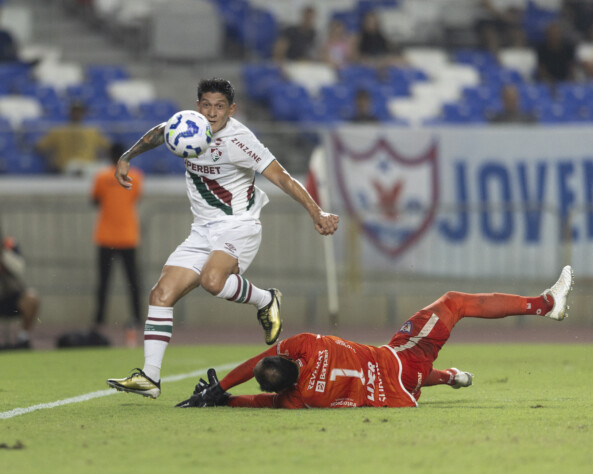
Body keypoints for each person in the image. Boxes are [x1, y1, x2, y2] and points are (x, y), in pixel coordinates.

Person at [106, 78, 339, 399]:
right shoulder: (186, 125)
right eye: (206, 105)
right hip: (202, 229)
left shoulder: (240, 140)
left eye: (219, 107)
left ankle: (265, 299)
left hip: (238, 224)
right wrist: (127, 156)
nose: (212, 113)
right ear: (197, 104)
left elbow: (282, 177)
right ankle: (150, 377)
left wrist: (317, 212)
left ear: (232, 109)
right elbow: (159, 132)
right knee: (160, 295)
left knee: (213, 281)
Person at [176, 266, 574, 409]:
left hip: (402, 392)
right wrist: (223, 386)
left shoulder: (299, 399)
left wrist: (227, 402)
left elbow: (262, 400)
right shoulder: (308, 346)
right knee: (454, 302)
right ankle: (545, 304)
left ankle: (451, 377)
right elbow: (253, 367)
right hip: (403, 359)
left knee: (410, 373)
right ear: (289, 358)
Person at [91, 143, 144, 346]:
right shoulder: (137, 176)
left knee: (103, 282)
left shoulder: (102, 177)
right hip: (128, 235)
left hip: (105, 236)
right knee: (132, 281)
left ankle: (99, 320)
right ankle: (137, 318)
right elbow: (135, 198)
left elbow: (95, 200)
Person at [35, 101, 111, 175]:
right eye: (74, 111)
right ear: (70, 112)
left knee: (104, 167)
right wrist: (52, 158)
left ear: (83, 113)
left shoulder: (92, 131)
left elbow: (108, 147)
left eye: (79, 111)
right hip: (68, 167)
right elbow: (39, 146)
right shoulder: (59, 130)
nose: (76, 114)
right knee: (74, 167)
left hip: (88, 166)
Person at [0, 226, 39, 350]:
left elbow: (19, 268)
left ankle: (23, 339)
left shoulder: (9, 245)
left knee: (31, 298)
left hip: (11, 296)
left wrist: (3, 254)